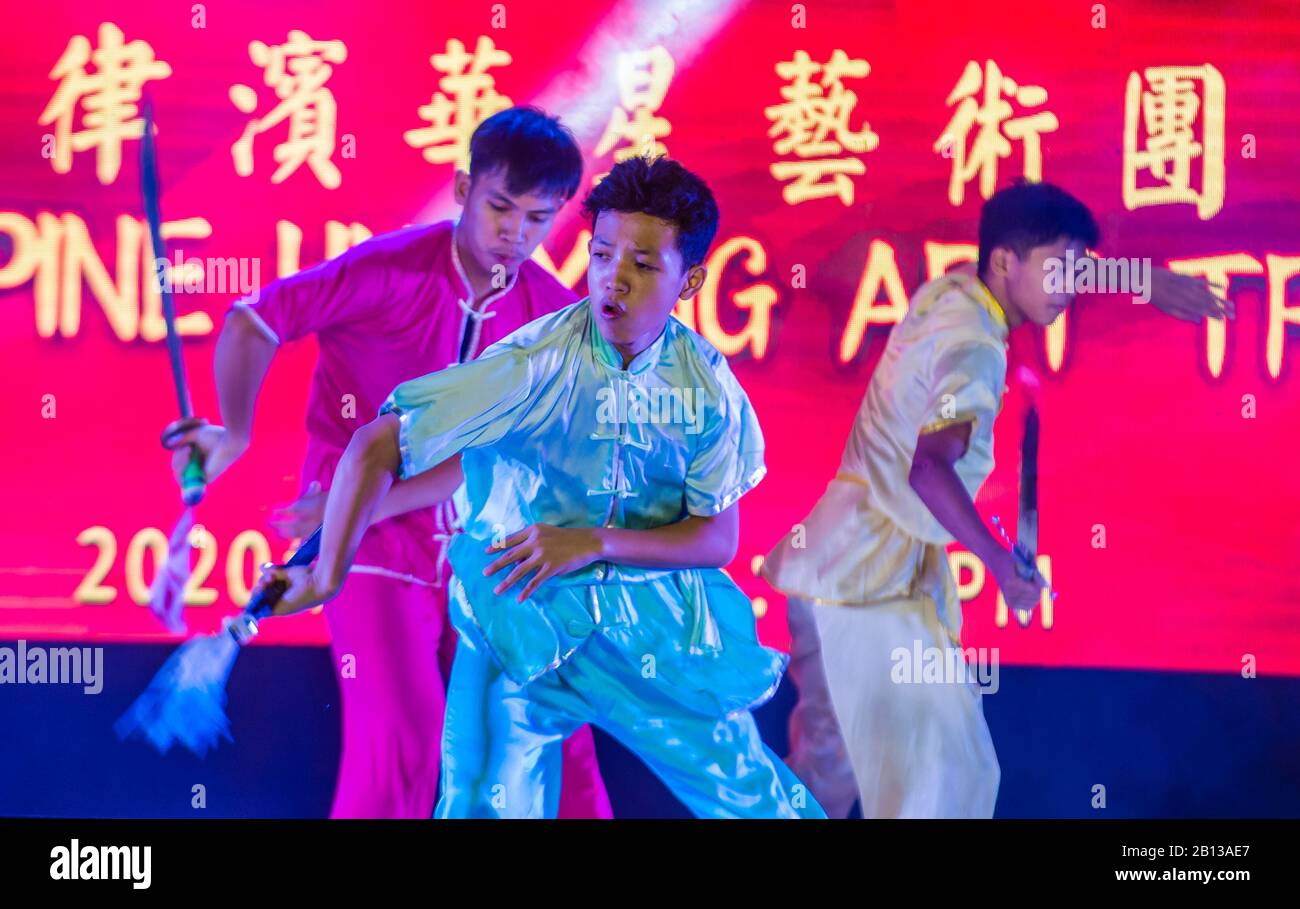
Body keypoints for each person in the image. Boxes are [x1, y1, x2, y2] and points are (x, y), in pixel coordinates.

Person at [259, 155, 825, 819]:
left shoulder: (705, 387)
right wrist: (327, 572)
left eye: (643, 264)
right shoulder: (533, 363)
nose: (614, 278)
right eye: (603, 254)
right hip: (524, 619)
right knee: (481, 802)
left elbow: (716, 537)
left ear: (690, 279)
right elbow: (379, 442)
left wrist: (588, 542)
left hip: (654, 633)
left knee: (756, 799)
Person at [164, 106, 611, 819]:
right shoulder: (391, 270)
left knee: (558, 739)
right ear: (464, 187)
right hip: (365, 543)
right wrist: (234, 432)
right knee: (405, 739)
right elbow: (255, 319)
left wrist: (368, 499)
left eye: (536, 218)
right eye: (499, 207)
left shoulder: (548, 316)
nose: (514, 234)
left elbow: (497, 453)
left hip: (472, 542)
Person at [762, 180, 1231, 818]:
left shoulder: (958, 290)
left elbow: (1038, 262)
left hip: (853, 574)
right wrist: (1002, 563)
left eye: (1077, 267)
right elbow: (929, 469)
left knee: (849, 774)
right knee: (941, 778)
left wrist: (1145, 280)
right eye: (1060, 268)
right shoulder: (975, 344)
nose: (1071, 283)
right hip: (861, 590)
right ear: (1007, 262)